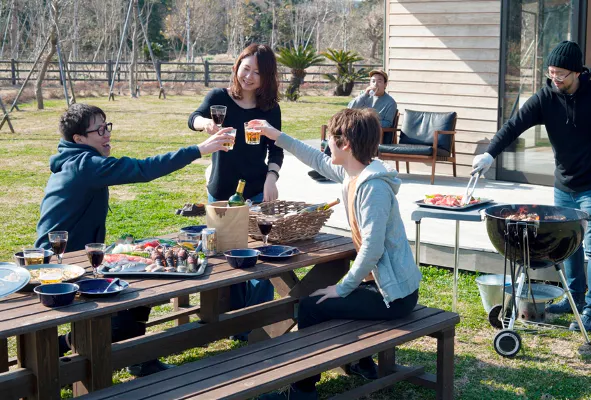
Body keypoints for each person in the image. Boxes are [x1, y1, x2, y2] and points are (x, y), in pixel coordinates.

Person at [35, 103, 233, 377]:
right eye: (99, 130)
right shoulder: (84, 165)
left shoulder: (79, 160)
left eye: (107, 126)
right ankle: (66, 346)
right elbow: (142, 169)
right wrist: (199, 149)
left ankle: (138, 358)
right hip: (59, 264)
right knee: (128, 302)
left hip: (82, 257)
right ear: (79, 139)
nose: (107, 134)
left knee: (143, 284)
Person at [252, 109, 421, 400]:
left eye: (329, 138)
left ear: (346, 144)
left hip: (394, 296)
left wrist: (342, 288)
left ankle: (302, 391)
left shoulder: (373, 189)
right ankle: (362, 362)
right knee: (326, 299)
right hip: (382, 287)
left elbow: (372, 249)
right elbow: (315, 158)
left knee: (312, 306)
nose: (325, 144)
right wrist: (274, 134)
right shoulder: (353, 174)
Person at [471, 41, 591, 332]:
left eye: (561, 73)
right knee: (568, 247)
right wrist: (489, 154)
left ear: (577, 72)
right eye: (551, 72)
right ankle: (575, 299)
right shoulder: (545, 98)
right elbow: (513, 126)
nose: (555, 78)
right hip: (563, 186)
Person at [188, 43, 283, 339]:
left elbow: (276, 149)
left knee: (261, 258)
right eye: (246, 68)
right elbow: (193, 118)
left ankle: (256, 323)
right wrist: (206, 124)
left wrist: (271, 177)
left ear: (267, 77)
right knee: (226, 258)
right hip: (220, 192)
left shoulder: (270, 108)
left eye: (257, 72)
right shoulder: (219, 98)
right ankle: (232, 323)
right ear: (237, 67)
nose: (249, 76)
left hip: (255, 191)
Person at [308, 68, 397, 182]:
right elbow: (349, 108)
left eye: (379, 81)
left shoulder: (390, 102)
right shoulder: (364, 96)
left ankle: (325, 171)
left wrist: (368, 123)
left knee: (347, 137)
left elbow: (387, 123)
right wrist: (364, 96)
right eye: (373, 81)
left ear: (385, 84)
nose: (376, 84)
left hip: (372, 134)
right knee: (338, 134)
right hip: (356, 130)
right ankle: (324, 168)